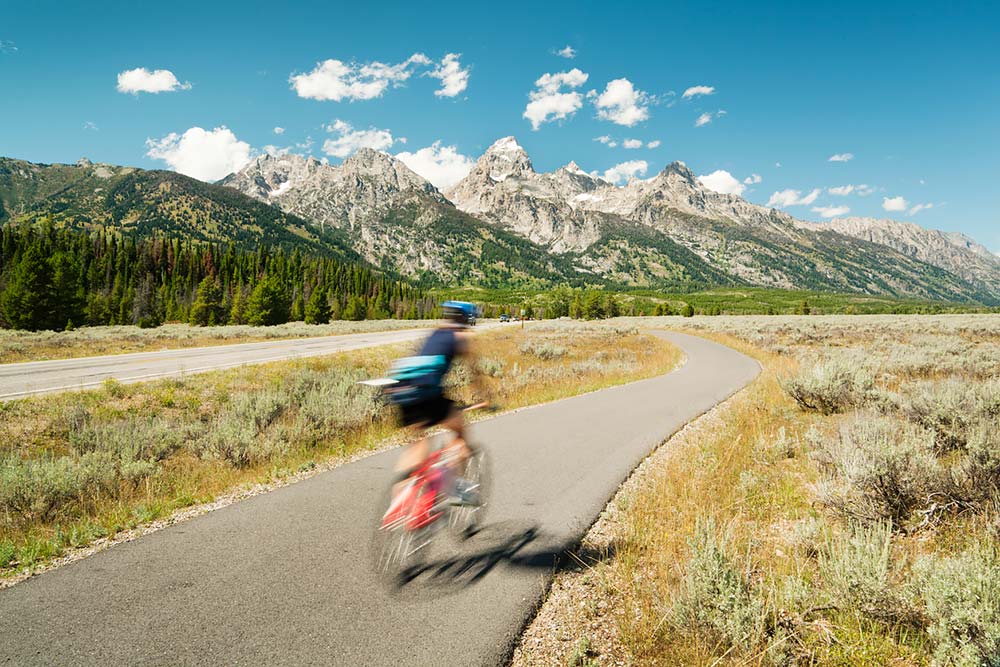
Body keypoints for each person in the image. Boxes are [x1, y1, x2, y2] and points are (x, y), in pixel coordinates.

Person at [390, 301, 490, 503]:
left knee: (418, 445)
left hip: (401, 388)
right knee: (460, 432)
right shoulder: (461, 337)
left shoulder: (434, 333)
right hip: (426, 392)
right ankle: (457, 486)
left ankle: (398, 502)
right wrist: (484, 398)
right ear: (468, 319)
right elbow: (474, 374)